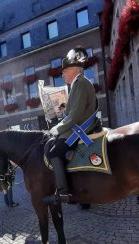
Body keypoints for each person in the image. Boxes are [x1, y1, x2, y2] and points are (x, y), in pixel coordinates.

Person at [43, 47, 102, 205]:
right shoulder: (78, 84)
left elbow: (75, 115)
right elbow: (73, 113)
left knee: (53, 153)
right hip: (76, 128)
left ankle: (63, 193)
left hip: (79, 131)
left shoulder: (81, 84)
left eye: (64, 71)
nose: (62, 74)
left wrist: (57, 129)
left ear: (74, 69)